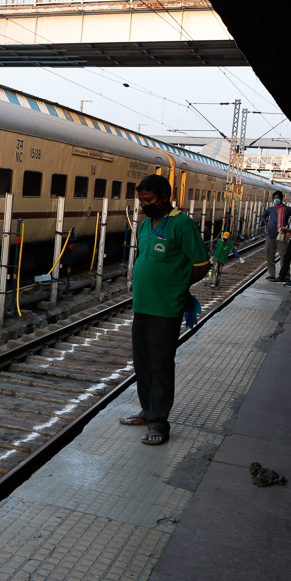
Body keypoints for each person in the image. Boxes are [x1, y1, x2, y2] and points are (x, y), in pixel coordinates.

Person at [119, 174, 210, 445]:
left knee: (160, 365)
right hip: (143, 305)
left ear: (163, 197)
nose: (143, 205)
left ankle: (159, 422)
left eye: (147, 200)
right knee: (143, 363)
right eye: (140, 200)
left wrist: (179, 287)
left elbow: (201, 263)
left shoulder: (181, 224)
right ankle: (147, 411)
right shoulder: (147, 225)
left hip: (166, 308)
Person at [260, 191, 291, 281]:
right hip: (270, 235)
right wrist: (265, 222)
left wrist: (290, 229)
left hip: (281, 236)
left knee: (283, 255)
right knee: (269, 255)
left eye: (278, 198)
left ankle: (285, 275)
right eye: (274, 198)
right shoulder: (270, 209)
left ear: (281, 199)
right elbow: (263, 216)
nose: (276, 199)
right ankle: (272, 274)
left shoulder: (287, 209)